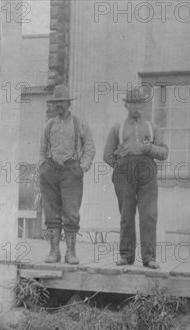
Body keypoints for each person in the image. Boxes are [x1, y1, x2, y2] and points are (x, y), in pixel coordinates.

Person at [103, 89, 169, 269]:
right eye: (133, 104)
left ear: (144, 105)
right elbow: (107, 155)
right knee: (126, 214)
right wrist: (121, 165)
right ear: (126, 106)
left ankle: (149, 258)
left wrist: (150, 149)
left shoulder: (152, 127)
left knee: (148, 215)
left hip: (147, 171)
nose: (137, 107)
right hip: (124, 173)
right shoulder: (117, 128)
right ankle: (126, 256)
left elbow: (164, 153)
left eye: (140, 104)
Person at [39, 85, 95, 265]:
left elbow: (90, 148)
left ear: (69, 104)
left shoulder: (79, 124)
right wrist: (43, 166)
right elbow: (42, 149)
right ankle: (54, 251)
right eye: (56, 103)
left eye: (62, 102)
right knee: (51, 213)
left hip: (71, 172)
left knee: (71, 213)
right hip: (51, 171)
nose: (59, 106)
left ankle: (71, 252)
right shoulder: (49, 125)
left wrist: (83, 167)